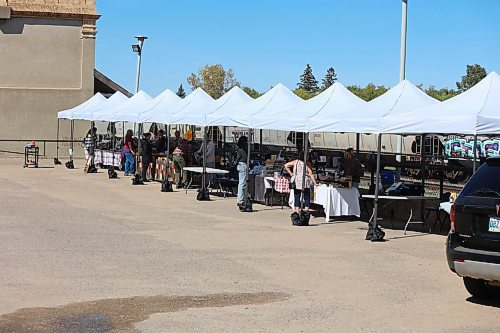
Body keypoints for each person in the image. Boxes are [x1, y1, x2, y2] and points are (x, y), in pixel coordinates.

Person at [236, 136, 248, 207]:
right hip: (242, 165)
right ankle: (240, 199)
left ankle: (241, 198)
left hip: (241, 165)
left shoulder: (240, 149)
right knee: (242, 183)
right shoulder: (242, 150)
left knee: (242, 183)